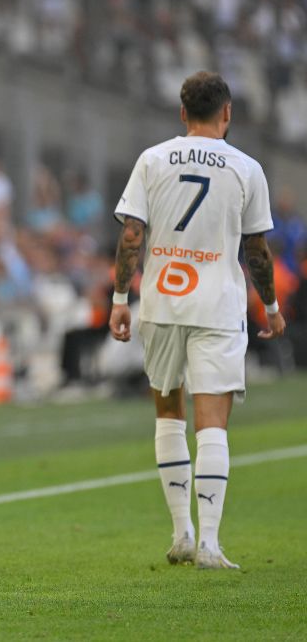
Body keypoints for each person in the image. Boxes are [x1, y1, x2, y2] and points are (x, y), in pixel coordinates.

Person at [109, 71, 285, 570]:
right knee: (213, 424)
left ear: (183, 113)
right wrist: (270, 307)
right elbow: (256, 250)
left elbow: (131, 237)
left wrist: (121, 296)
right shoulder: (247, 168)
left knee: (168, 412)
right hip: (218, 305)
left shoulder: (152, 159)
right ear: (227, 113)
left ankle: (181, 533)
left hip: (162, 300)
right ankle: (209, 543)